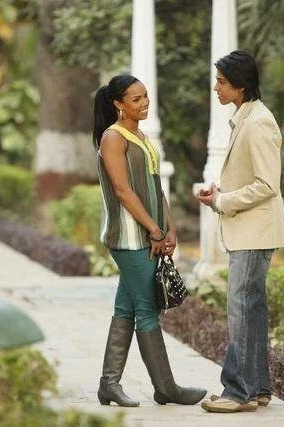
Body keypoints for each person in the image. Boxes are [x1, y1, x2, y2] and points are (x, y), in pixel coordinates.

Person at [93, 73, 207, 407]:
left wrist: (169, 227)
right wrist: (154, 230)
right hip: (129, 238)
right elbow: (122, 190)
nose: (144, 103)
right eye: (136, 99)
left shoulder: (140, 136)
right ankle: (166, 388)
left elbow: (156, 187)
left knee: (126, 307)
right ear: (119, 104)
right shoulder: (113, 137)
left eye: (145, 96)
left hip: (150, 234)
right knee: (147, 309)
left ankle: (109, 385)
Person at [198, 50, 284, 413]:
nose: (216, 88)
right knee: (252, 310)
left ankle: (238, 392)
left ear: (241, 86)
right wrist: (219, 192)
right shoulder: (247, 118)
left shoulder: (258, 122)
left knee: (241, 310)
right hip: (251, 231)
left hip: (253, 232)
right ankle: (259, 388)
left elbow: (267, 184)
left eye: (221, 82)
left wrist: (223, 201)